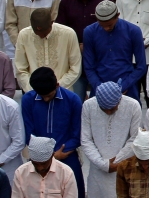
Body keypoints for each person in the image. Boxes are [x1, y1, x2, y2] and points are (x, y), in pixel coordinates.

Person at [20, 68, 85, 198]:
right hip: (37, 157)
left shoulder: (72, 100)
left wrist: (57, 155)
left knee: (75, 191)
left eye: (48, 96)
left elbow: (77, 135)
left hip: (66, 154)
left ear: (57, 85)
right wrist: (47, 156)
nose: (45, 99)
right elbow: (29, 133)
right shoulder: (28, 99)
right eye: (41, 96)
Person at [79, 81, 141, 198]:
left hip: (124, 168)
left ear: (119, 100)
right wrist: (104, 165)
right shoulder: (88, 105)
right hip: (97, 171)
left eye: (112, 109)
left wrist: (116, 162)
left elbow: (135, 139)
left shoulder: (133, 106)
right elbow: (86, 140)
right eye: (104, 109)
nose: (108, 112)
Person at [83, 0, 147, 99]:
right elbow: (88, 67)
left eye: (109, 25)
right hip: (99, 88)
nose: (105, 29)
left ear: (117, 15)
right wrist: (101, 88)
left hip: (127, 88)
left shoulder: (133, 31)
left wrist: (123, 86)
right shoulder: (89, 32)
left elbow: (141, 66)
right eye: (102, 25)